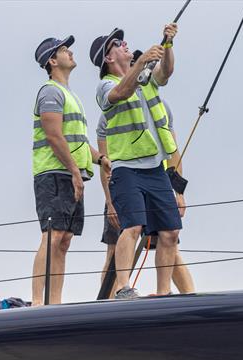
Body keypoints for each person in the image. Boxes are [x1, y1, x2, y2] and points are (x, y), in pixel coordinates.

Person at [91, 26, 181, 299]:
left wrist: (167, 45)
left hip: (155, 167)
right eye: (118, 43)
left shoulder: (145, 77)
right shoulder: (105, 85)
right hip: (126, 168)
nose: (125, 44)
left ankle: (163, 292)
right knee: (132, 226)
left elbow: (165, 74)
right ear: (108, 58)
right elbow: (120, 92)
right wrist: (141, 62)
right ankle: (123, 287)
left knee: (170, 231)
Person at [31, 35, 111, 305]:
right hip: (53, 173)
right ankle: (39, 301)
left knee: (64, 239)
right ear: (53, 61)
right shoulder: (50, 91)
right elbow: (54, 136)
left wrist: (100, 158)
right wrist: (76, 172)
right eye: (65, 50)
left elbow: (76, 140)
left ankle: (54, 301)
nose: (71, 52)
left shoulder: (69, 95)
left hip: (70, 173)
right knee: (52, 236)